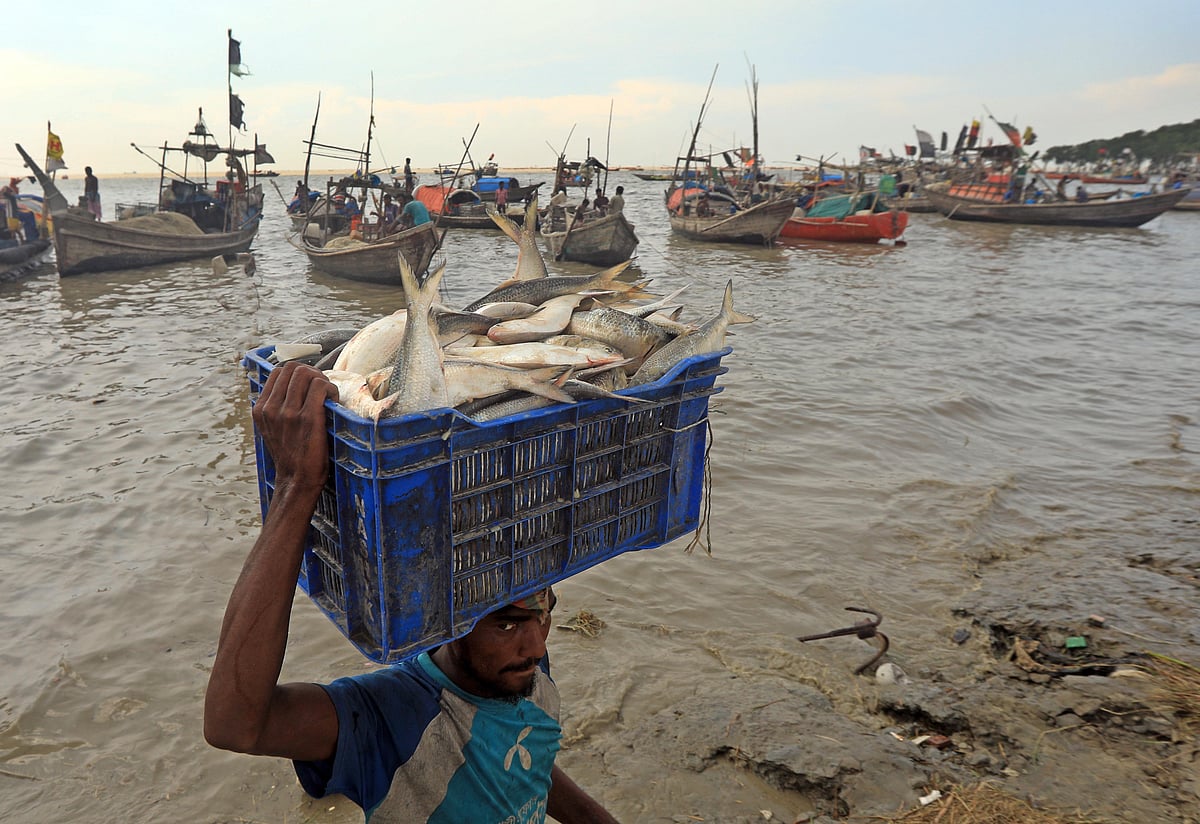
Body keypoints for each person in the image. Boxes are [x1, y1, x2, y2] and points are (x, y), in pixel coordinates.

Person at [203, 362, 619, 823]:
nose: (538, 646)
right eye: (506, 625)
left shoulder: (519, 668)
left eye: (544, 615)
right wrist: (296, 486)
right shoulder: (389, 718)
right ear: (447, 620)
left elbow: (523, 759)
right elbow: (234, 725)